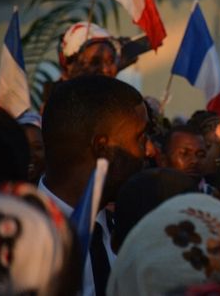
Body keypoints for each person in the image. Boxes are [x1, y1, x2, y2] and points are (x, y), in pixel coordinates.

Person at [39, 75, 149, 296]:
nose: (149, 151)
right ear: (103, 149)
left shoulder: (133, 232)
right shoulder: (17, 239)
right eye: (140, 138)